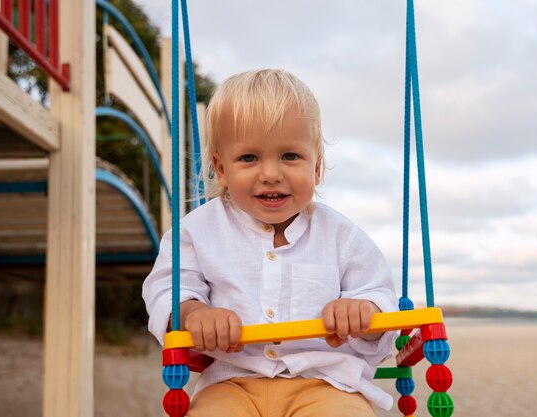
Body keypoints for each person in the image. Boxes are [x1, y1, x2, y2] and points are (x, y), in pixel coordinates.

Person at [143, 69, 398, 416]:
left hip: (326, 384)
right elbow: (166, 289)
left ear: (317, 166)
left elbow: (379, 294)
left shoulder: (341, 235)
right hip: (231, 384)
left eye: (290, 156)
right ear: (221, 168)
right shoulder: (198, 230)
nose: (271, 174)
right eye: (249, 158)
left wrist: (364, 310)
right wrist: (193, 313)